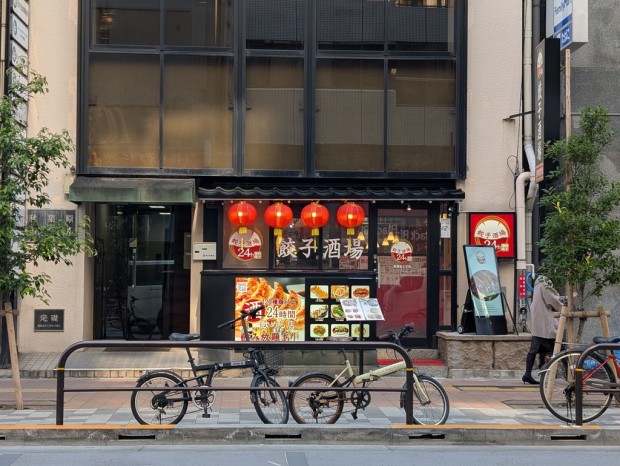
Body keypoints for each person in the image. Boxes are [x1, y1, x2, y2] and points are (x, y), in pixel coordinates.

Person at [522, 274, 564, 384]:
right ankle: (572, 374)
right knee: (560, 347)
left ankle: (528, 374)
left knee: (537, 348)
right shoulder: (545, 282)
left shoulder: (538, 282)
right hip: (544, 319)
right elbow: (552, 299)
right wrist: (563, 306)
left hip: (538, 318)